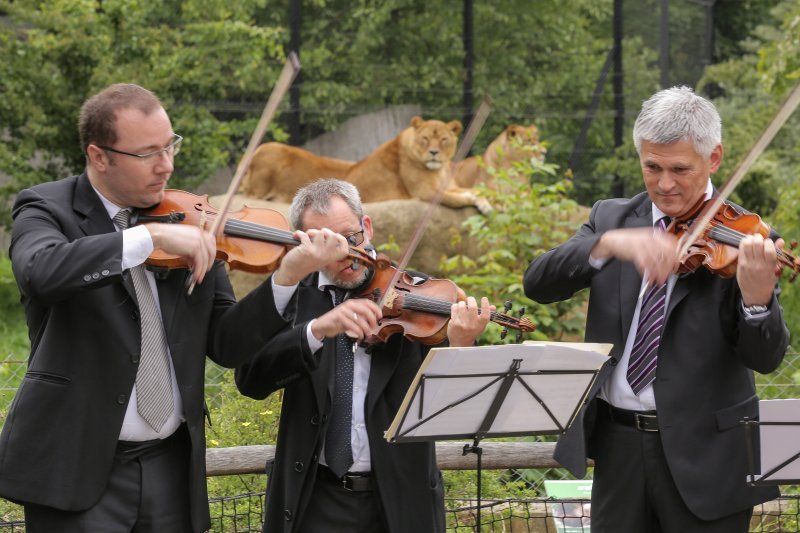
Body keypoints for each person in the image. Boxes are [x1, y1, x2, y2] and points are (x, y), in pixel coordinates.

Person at [0, 83, 281, 532]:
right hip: (77, 465)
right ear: (100, 156)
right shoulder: (46, 207)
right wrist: (148, 239)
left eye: (170, 146)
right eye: (148, 153)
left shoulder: (189, 217)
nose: (166, 165)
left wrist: (285, 281)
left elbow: (227, 343)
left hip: (170, 467)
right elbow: (39, 272)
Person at [523, 86, 789, 532]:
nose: (665, 184)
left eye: (680, 169)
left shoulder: (746, 238)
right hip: (619, 448)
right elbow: (539, 284)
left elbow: (765, 359)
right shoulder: (611, 219)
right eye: (653, 167)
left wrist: (757, 299)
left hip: (707, 457)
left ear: (715, 158)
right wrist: (607, 244)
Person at [229, 178, 492, 532]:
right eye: (330, 246)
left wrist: (462, 345)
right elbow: (250, 379)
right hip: (314, 498)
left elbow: (453, 407)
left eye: (352, 239)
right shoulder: (291, 294)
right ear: (304, 244)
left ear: (367, 226)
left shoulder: (412, 294)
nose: (347, 256)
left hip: (398, 500)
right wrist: (317, 331)